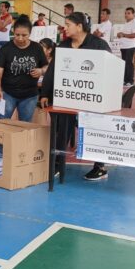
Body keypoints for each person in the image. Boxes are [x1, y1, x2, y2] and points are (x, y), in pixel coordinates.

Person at [40, 12, 111, 181]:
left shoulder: (99, 45)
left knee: (93, 131)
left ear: (79, 26)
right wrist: (44, 93)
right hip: (67, 98)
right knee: (62, 129)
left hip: (92, 100)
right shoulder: (64, 46)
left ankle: (100, 167)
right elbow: (52, 70)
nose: (65, 28)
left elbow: (111, 69)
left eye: (68, 24)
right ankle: (58, 163)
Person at [0, 15, 49, 122]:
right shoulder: (6, 49)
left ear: (30, 33)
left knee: (25, 126)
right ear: (13, 32)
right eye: (17, 35)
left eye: (24, 35)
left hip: (30, 95)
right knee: (1, 123)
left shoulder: (37, 48)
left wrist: (41, 71)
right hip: (7, 94)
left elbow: (46, 67)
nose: (20, 38)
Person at [117, 7, 135, 87]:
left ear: (133, 14)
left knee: (129, 63)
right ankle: (125, 80)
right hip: (124, 46)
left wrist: (124, 35)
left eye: (129, 13)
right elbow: (124, 34)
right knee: (125, 64)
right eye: (125, 13)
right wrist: (120, 34)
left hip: (130, 47)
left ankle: (130, 81)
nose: (126, 15)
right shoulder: (126, 23)